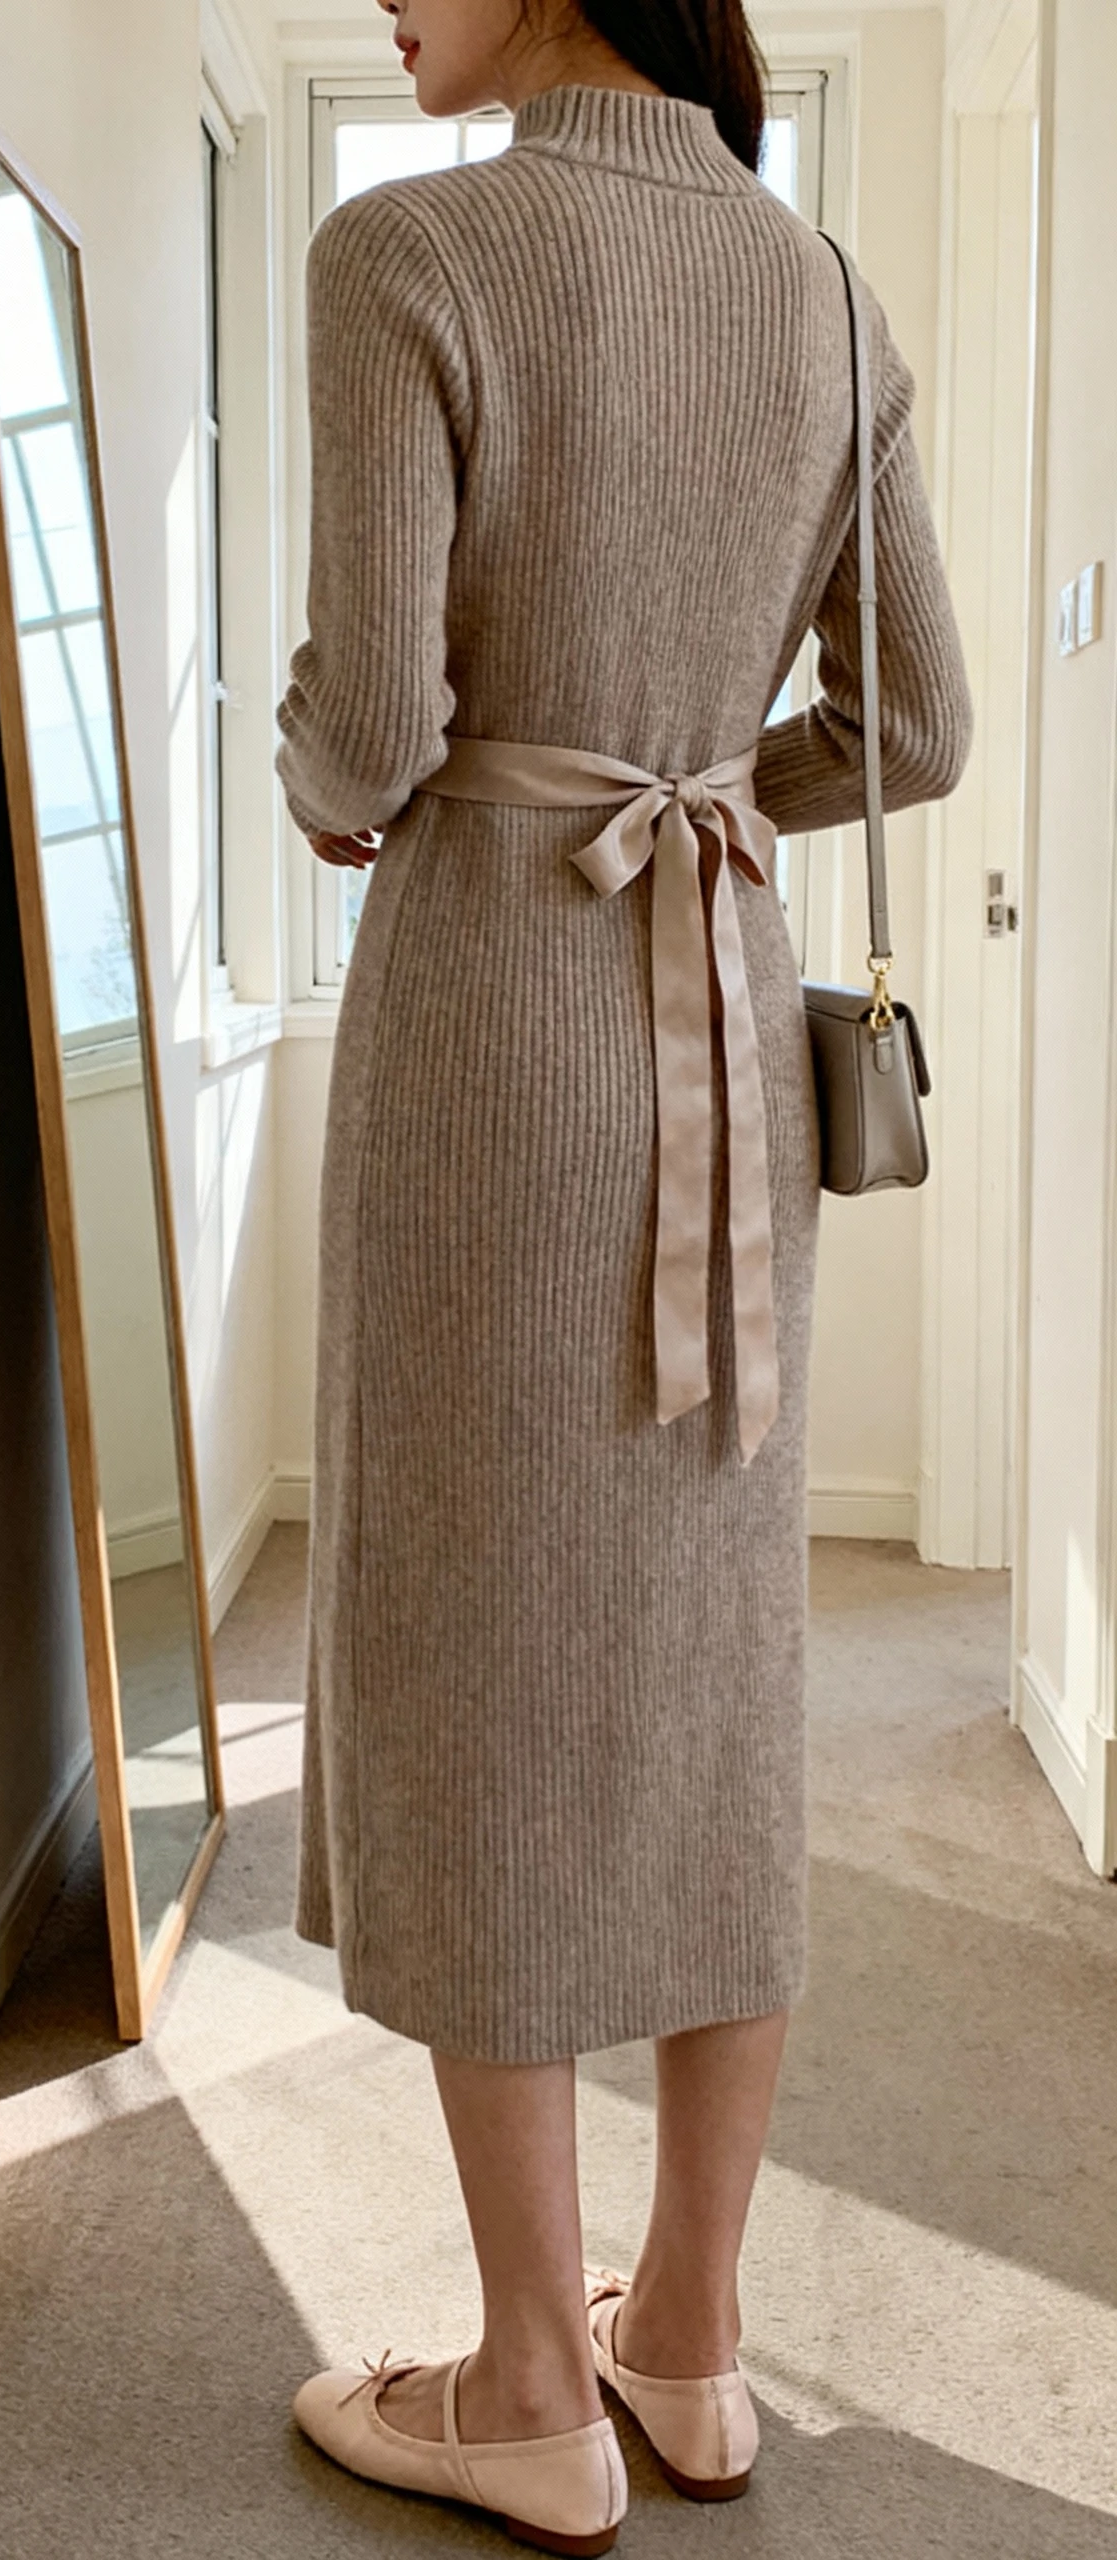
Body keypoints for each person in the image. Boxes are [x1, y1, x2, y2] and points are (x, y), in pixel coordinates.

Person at [273, 1, 972, 2548]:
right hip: (722, 1026)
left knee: (474, 1676)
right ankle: (690, 2338)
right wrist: (718, 783)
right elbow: (924, 713)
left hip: (494, 1048)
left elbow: (369, 733)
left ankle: (527, 2381)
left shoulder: (408, 255)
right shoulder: (829, 300)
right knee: (709, 1665)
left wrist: (342, 768)